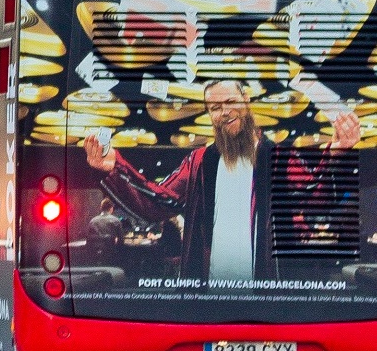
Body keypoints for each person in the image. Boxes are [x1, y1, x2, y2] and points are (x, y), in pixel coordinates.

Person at [85, 79, 360, 281]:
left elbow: (313, 200)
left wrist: (335, 155)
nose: (224, 112)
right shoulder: (198, 162)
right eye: (215, 107)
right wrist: (116, 168)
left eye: (230, 103)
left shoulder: (277, 157)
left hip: (266, 292)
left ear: (247, 102)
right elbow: (157, 202)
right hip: (208, 294)